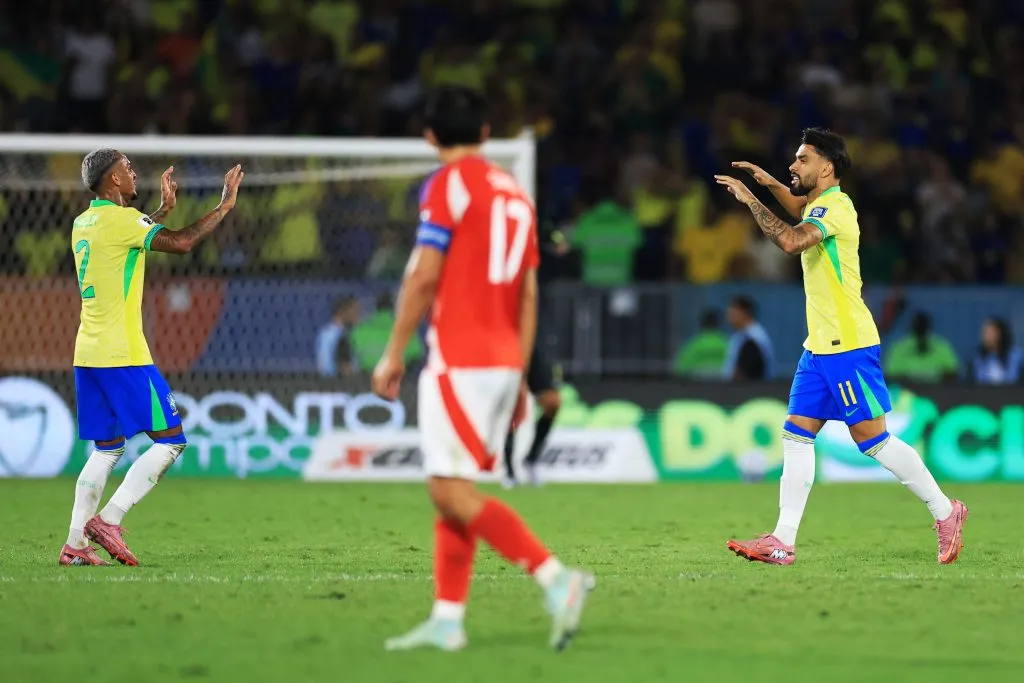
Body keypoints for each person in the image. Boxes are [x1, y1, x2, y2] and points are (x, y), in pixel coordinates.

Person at [370, 86, 593, 652]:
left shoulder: (448, 184)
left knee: (448, 490)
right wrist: (519, 372)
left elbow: (423, 276)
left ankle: (556, 578)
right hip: (500, 361)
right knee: (454, 488)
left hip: (459, 358)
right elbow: (528, 293)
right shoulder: (515, 193)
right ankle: (448, 620)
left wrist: (395, 349)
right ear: (487, 134)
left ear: (429, 137)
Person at [714, 128, 967, 566]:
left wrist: (750, 199)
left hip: (847, 344)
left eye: (801, 159)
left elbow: (792, 241)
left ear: (826, 168)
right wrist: (769, 182)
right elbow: (797, 205)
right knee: (795, 434)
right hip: (819, 346)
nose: (793, 166)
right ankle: (783, 540)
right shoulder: (819, 203)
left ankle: (946, 512)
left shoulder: (837, 208)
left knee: (874, 441)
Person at [63, 150, 244, 566]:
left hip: (87, 351)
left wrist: (161, 209)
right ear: (112, 181)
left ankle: (75, 544)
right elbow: (180, 243)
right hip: (122, 352)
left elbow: (127, 239)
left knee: (107, 449)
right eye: (126, 168)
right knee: (172, 440)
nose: (133, 172)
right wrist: (224, 205)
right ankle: (109, 519)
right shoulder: (124, 222)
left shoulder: (84, 222)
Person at [502, 345, 562, 487]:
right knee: (513, 406)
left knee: (552, 403)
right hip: (510, 343)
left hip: (536, 346)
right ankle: (508, 469)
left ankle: (531, 459)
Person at [884, 311, 961, 383]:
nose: (920, 332)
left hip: (938, 392)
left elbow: (953, 375)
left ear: (929, 328)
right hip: (907, 393)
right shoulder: (899, 347)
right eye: (918, 327)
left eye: (923, 327)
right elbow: (893, 377)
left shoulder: (942, 346)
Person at [723, 296, 774, 381]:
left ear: (743, 313)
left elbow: (750, 372)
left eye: (732, 312)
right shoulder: (739, 336)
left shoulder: (754, 337)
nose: (728, 316)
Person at [672, 309, 728, 379]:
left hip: (698, 388)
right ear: (718, 324)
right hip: (724, 388)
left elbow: (680, 370)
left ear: (701, 323)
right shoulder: (727, 344)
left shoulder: (693, 345)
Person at [315, 297, 360, 377]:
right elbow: (325, 365)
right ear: (342, 312)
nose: (357, 316)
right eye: (354, 312)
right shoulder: (328, 335)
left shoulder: (349, 333)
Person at [973, 317, 1022, 384]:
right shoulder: (978, 357)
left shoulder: (1015, 355)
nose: (987, 336)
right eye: (985, 332)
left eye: (991, 332)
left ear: (1000, 333)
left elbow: (1013, 378)